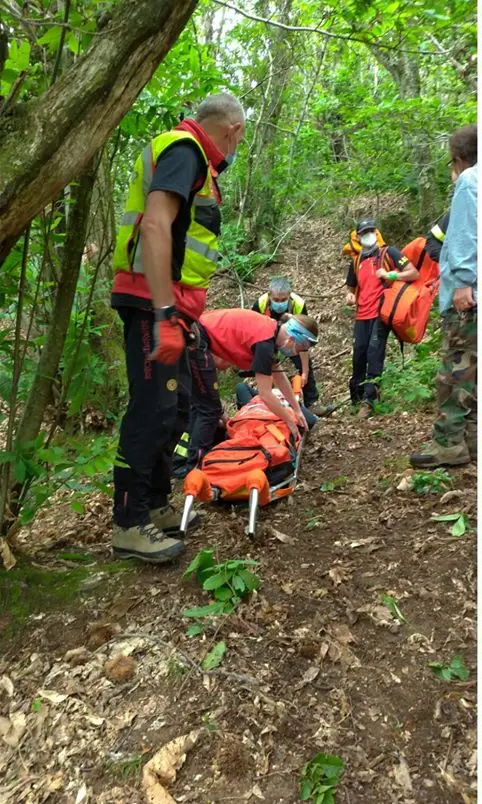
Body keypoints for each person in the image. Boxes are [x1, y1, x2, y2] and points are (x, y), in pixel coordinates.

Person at [110, 92, 245, 563]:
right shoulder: (186, 151)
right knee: (152, 409)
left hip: (170, 305)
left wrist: (180, 315)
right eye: (239, 138)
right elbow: (154, 226)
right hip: (152, 301)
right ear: (233, 130)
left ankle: (154, 504)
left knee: (181, 405)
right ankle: (128, 523)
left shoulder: (196, 163)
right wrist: (166, 314)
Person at [410, 125, 479, 467]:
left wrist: (464, 283)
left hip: (467, 298)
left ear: (458, 159)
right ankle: (467, 441)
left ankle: (449, 444)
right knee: (472, 370)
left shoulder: (470, 181)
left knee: (455, 371)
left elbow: (466, 235)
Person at [199, 309, 318, 438]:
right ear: (292, 340)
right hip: (198, 338)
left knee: (210, 411)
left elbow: (279, 377)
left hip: (200, 331)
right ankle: (193, 456)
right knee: (208, 412)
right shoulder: (265, 343)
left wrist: (297, 410)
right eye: (300, 349)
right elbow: (265, 394)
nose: (297, 353)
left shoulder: (271, 332)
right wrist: (289, 421)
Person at [343, 218, 418, 416]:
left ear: (376, 232)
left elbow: (413, 273)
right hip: (362, 314)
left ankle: (370, 401)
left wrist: (391, 275)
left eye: (371, 231)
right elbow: (351, 287)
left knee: (374, 354)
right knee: (358, 355)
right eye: (364, 232)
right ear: (358, 236)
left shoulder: (389, 253)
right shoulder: (356, 260)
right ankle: (356, 398)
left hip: (381, 313)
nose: (369, 235)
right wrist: (350, 295)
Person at [251, 276, 319, 407]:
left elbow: (303, 342)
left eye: (283, 300)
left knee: (304, 363)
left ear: (289, 295)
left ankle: (312, 402)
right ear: (269, 295)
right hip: (265, 340)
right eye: (276, 300)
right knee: (266, 366)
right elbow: (253, 333)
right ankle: (268, 402)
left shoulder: (298, 304)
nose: (279, 303)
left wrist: (304, 373)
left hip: (291, 340)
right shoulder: (260, 304)